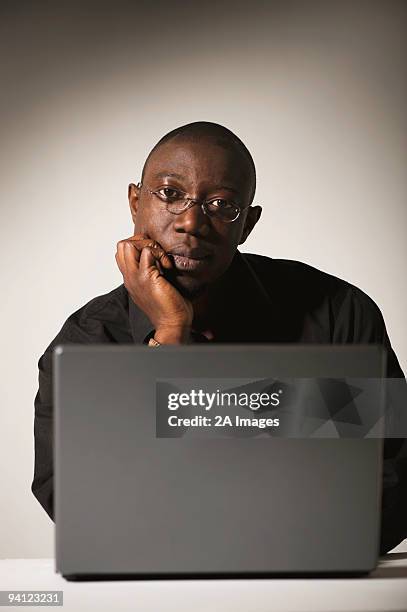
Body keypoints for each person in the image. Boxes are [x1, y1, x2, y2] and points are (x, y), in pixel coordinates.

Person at [32, 121, 407, 553]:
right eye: (170, 194)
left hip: (311, 586)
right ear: (136, 202)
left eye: (221, 205)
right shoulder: (86, 343)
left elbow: (391, 473)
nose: (191, 222)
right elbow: (85, 505)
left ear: (247, 223)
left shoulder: (338, 313)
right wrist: (170, 337)